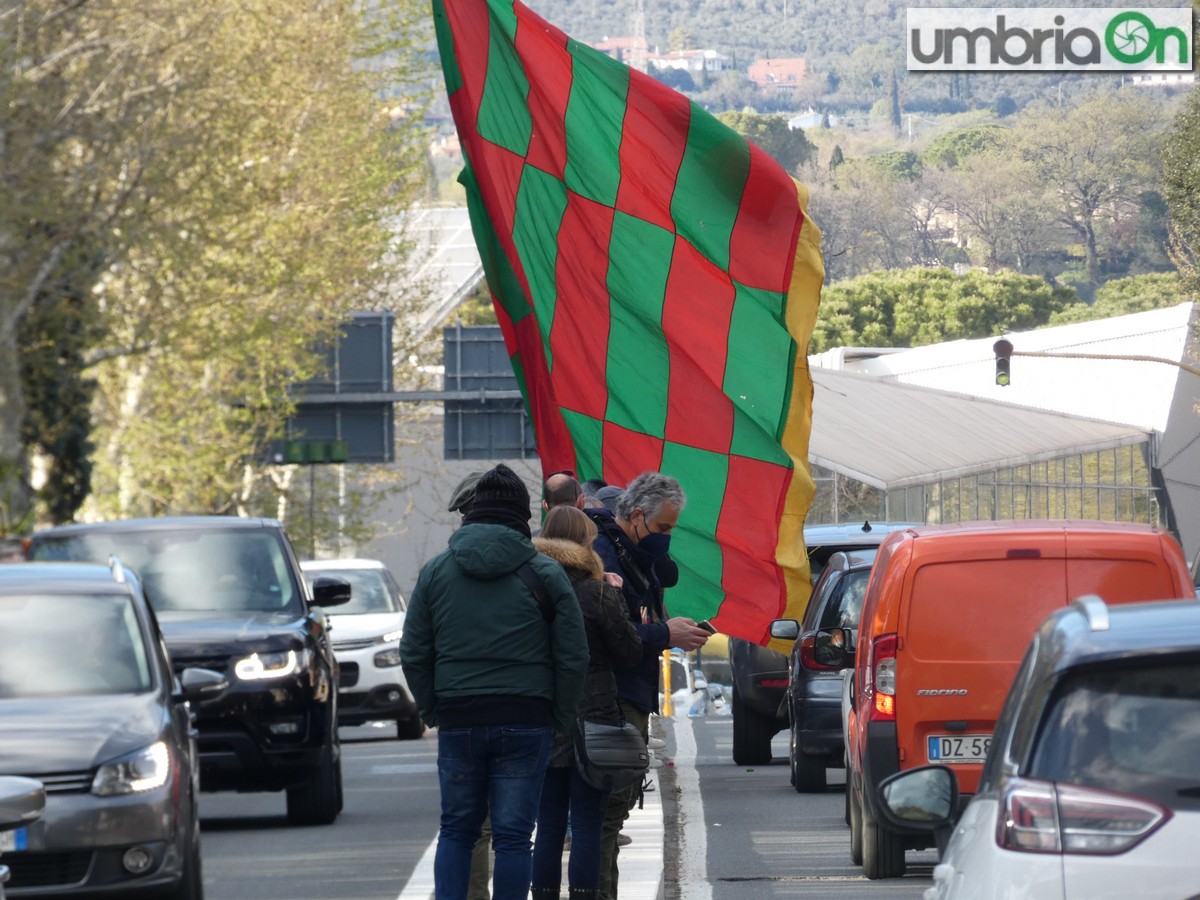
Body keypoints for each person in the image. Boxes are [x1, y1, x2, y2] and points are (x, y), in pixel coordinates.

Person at [400, 463, 589, 900]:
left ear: (470, 516)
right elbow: (573, 654)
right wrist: (557, 715)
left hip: (459, 715)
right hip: (526, 717)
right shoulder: (545, 573)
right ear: (522, 519)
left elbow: (414, 651)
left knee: (457, 830)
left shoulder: (436, 572)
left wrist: (433, 708)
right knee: (513, 837)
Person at [584, 471, 710, 900]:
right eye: (662, 528)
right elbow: (615, 635)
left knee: (611, 816)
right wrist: (664, 634)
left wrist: (665, 630)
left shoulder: (632, 554)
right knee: (606, 814)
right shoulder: (605, 556)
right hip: (611, 698)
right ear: (636, 515)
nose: (665, 538)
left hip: (628, 693)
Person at [530, 507, 642, 900]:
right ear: (583, 544)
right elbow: (629, 651)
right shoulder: (597, 592)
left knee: (548, 824)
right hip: (594, 719)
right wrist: (619, 600)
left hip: (544, 716)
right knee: (588, 822)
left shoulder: (529, 588)